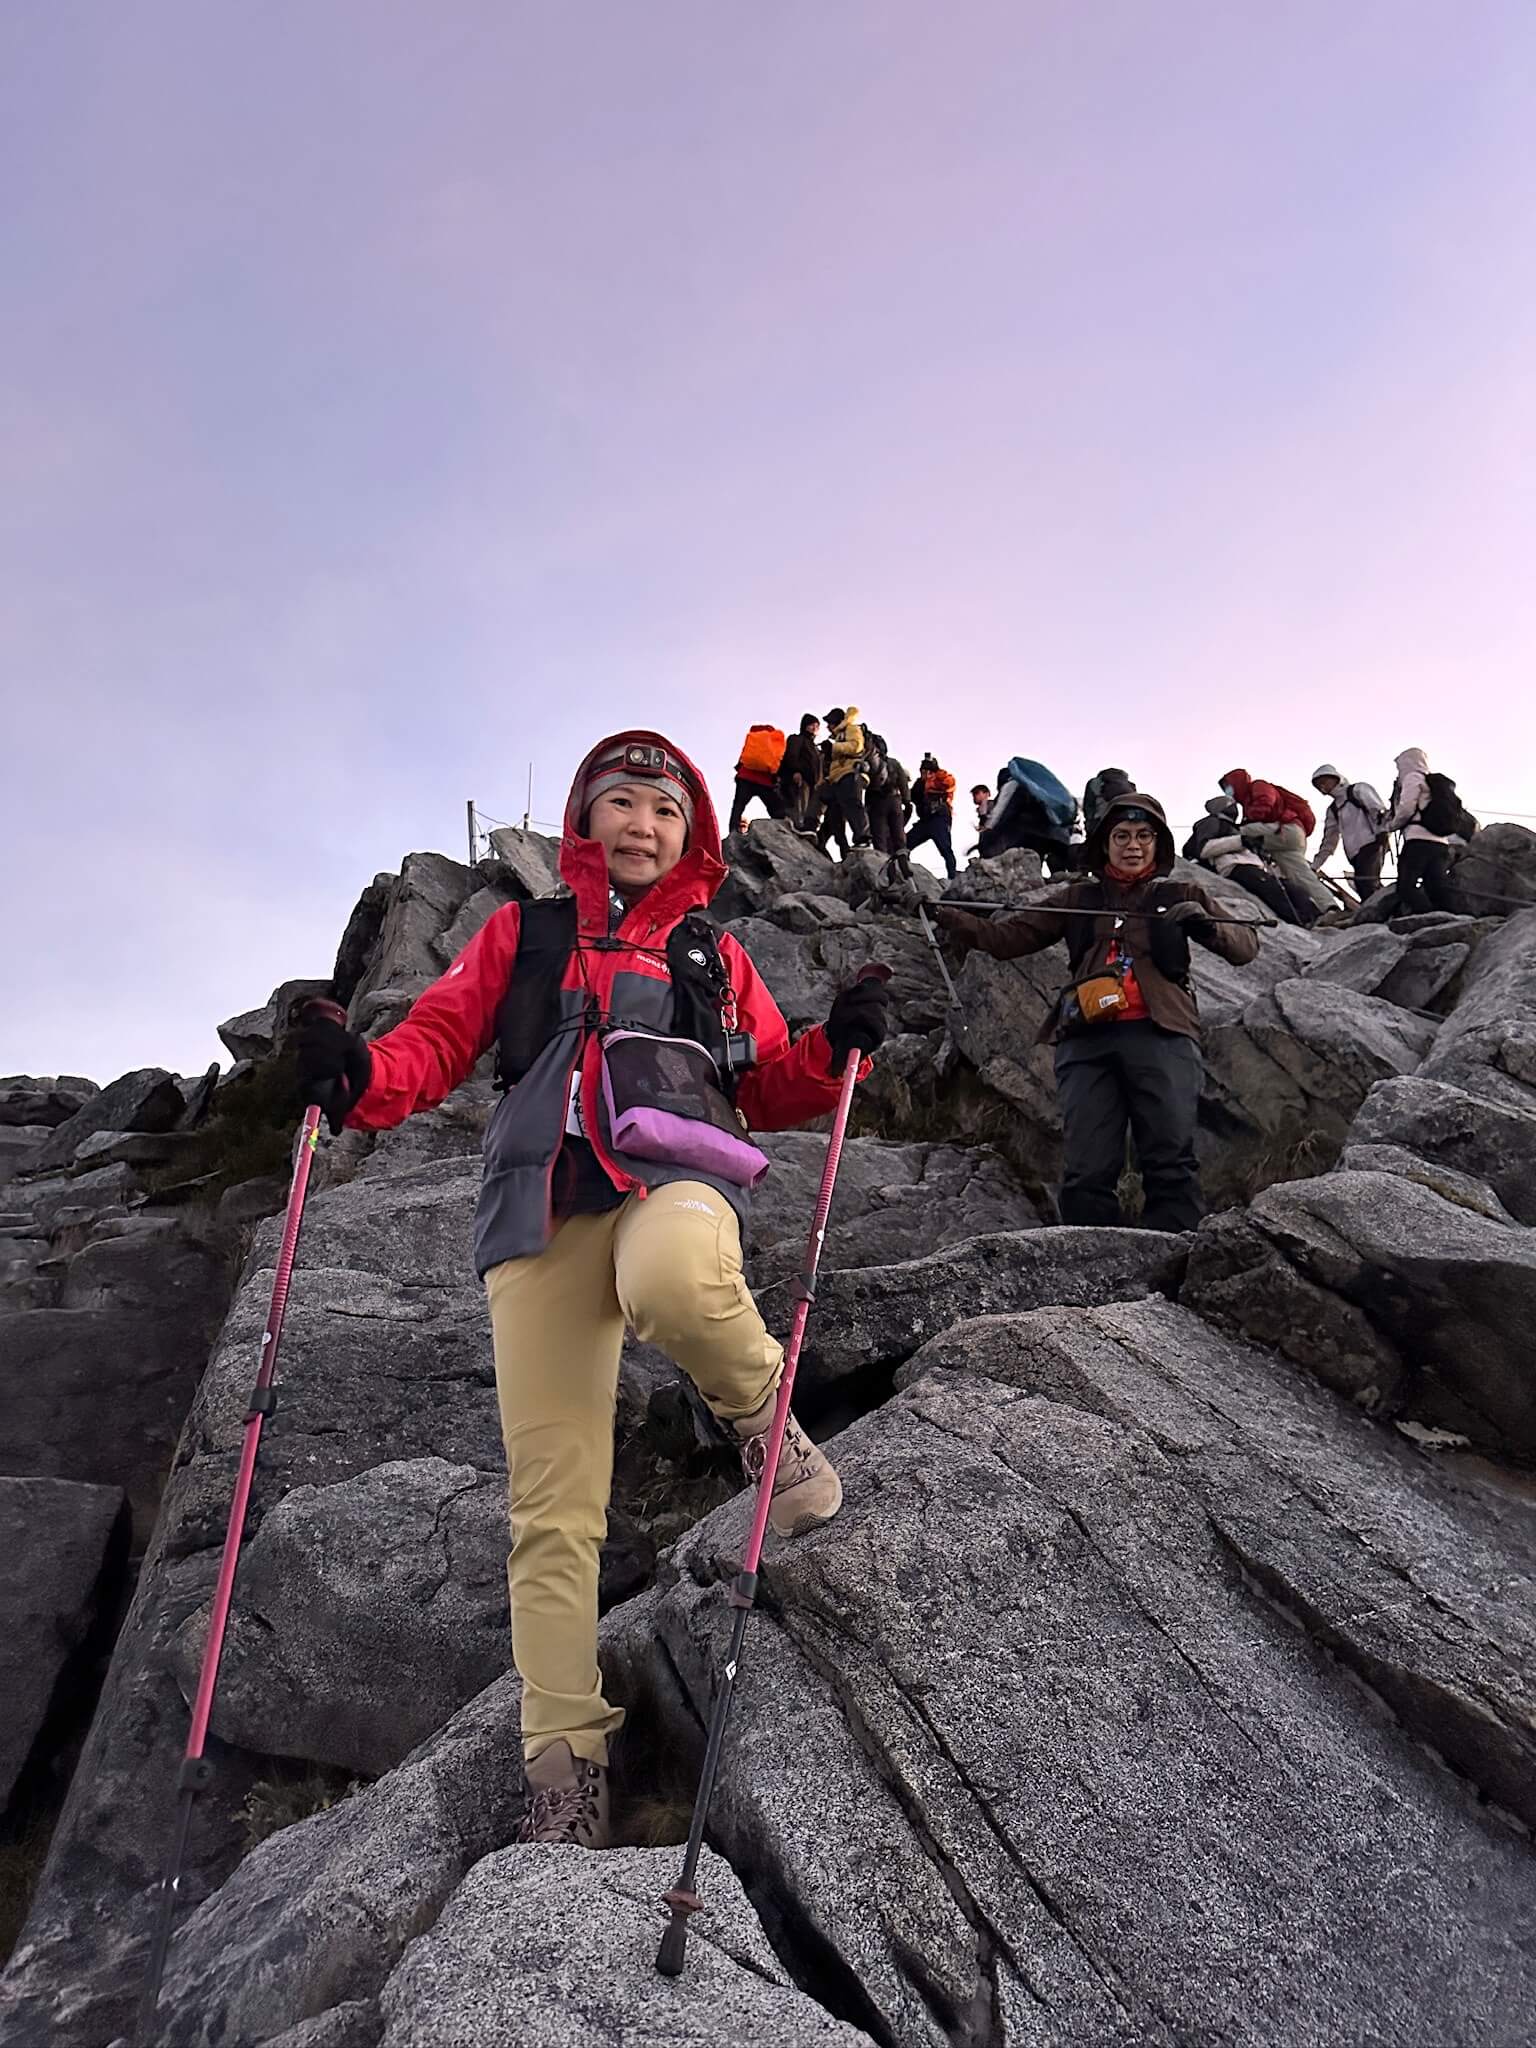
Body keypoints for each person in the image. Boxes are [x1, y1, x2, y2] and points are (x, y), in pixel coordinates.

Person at [294, 732, 890, 1849]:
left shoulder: (713, 952)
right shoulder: (522, 932)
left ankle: (768, 1427)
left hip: (675, 1176)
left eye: (665, 811)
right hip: (538, 1208)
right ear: (584, 819)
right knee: (551, 1511)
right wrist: (357, 1075)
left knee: (674, 1278)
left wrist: (832, 1047)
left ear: (690, 835)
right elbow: (434, 1041)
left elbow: (766, 1081)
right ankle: (565, 1770)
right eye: (621, 802)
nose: (641, 825)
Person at [935, 793, 1259, 1231]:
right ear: (1104, 843)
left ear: (1159, 843)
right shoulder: (1078, 897)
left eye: (1144, 835)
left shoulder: (1182, 893)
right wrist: (941, 912)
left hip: (1163, 1034)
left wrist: (1205, 924)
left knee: (1170, 1158)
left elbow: (1245, 947)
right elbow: (1003, 939)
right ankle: (1087, 1259)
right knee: (1086, 1166)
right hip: (1085, 1041)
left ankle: (1176, 1257)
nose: (1133, 845)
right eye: (1121, 835)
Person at [1219, 768, 1335, 918]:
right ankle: (1328, 907)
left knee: (1237, 833)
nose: (1228, 792)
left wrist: (1245, 822)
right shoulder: (1249, 798)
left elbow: (1265, 802)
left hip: (1283, 829)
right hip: (1292, 836)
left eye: (1229, 787)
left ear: (1236, 783)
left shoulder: (1258, 786)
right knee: (1300, 875)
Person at [1183, 797, 1300, 924]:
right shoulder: (1212, 822)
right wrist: (1240, 841)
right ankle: (1297, 921)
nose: (1234, 808)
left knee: (1293, 890)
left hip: (1253, 866)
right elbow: (1204, 849)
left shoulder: (1235, 828)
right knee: (1274, 891)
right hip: (1235, 866)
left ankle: (1306, 918)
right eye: (1230, 805)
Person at [1386, 746, 1456, 914]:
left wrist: (1392, 826)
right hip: (1441, 842)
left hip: (1418, 840)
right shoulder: (1434, 784)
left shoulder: (1413, 777)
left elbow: (1406, 808)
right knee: (1436, 886)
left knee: (1405, 886)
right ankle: (1450, 917)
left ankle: (1426, 916)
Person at [1310, 766, 1388, 899]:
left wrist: (1383, 832)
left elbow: (1378, 811)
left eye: (1324, 781)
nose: (1322, 787)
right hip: (1354, 855)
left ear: (1335, 778)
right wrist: (1315, 866)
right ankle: (1388, 906)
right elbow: (1329, 841)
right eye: (1318, 785)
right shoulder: (1333, 810)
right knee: (1364, 885)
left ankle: (1383, 908)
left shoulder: (1358, 790)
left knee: (1366, 883)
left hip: (1372, 843)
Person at [728, 724, 788, 834]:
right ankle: (780, 831)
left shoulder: (753, 739)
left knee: (738, 806)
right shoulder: (773, 741)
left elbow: (742, 760)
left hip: (745, 777)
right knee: (777, 809)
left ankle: (733, 830)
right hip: (765, 781)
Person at [906, 752, 958, 878]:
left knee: (945, 849)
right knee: (905, 844)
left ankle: (953, 877)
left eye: (926, 771)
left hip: (939, 819)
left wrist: (934, 773)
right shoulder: (920, 783)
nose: (923, 774)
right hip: (925, 821)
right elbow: (910, 796)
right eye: (922, 771)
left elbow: (950, 783)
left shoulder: (942, 779)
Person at [866, 743, 913, 862]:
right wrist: (907, 801)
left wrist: (867, 807)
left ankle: (883, 865)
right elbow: (903, 782)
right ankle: (903, 864)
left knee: (880, 839)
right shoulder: (894, 763)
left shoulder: (869, 763)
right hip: (895, 801)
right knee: (899, 837)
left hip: (877, 804)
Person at [777, 713, 821, 829]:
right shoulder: (797, 739)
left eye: (817, 726)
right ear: (805, 726)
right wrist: (796, 771)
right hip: (800, 781)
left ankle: (804, 828)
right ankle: (796, 828)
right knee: (798, 808)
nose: (815, 728)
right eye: (812, 725)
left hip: (812, 784)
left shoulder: (815, 747)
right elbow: (791, 756)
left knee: (808, 811)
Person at [1083, 767, 1136, 836]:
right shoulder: (1129, 785)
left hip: (1100, 821)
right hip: (1124, 821)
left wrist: (1089, 824)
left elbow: (1088, 806)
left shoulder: (1095, 782)